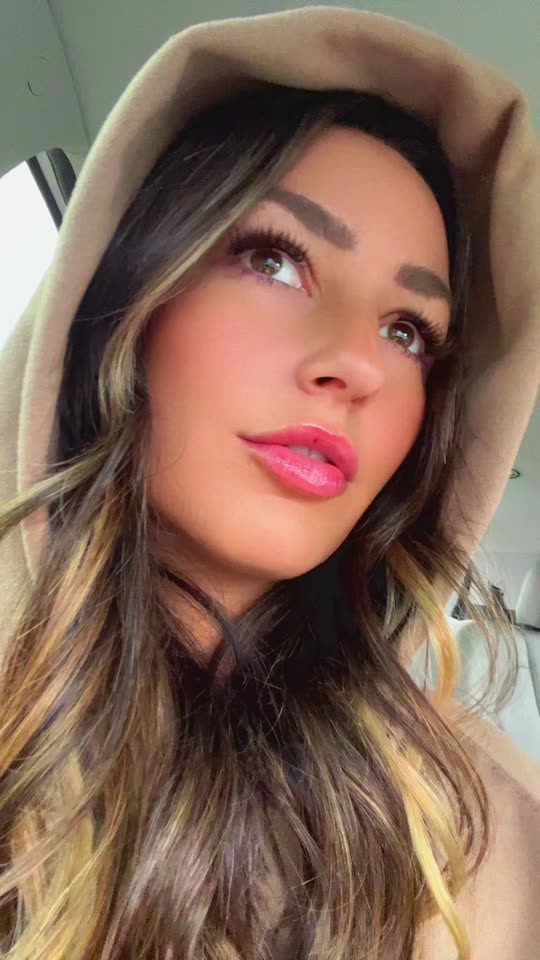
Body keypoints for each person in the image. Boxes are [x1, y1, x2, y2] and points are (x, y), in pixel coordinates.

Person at [0, 6, 538, 960]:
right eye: (275, 260)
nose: (358, 365)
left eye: (408, 331)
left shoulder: (475, 829)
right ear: (122, 300)